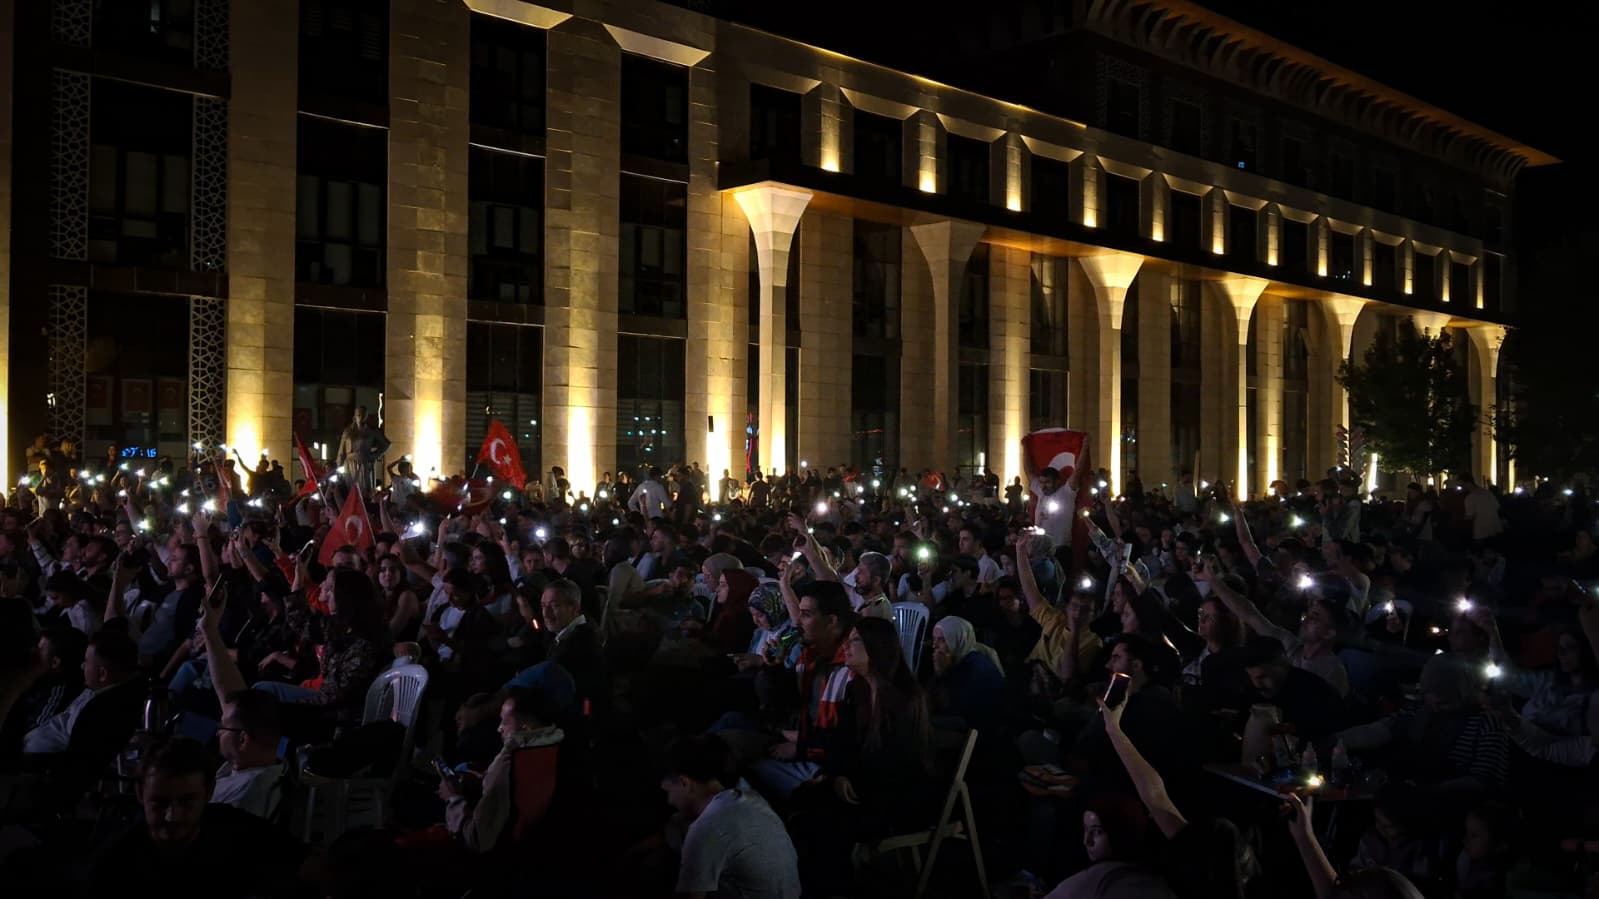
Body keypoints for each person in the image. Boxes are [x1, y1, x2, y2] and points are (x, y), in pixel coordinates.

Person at [89, 737, 309, 897]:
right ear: (139, 794)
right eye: (159, 802)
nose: (172, 816)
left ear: (209, 792)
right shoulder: (114, 865)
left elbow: (314, 865)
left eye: (186, 802)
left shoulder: (236, 828)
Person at [662, 734, 801, 899]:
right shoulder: (750, 799)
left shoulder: (705, 829)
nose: (669, 801)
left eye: (668, 791)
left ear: (684, 782)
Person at [441, 687, 565, 853]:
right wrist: (483, 780)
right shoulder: (552, 746)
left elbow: (476, 838)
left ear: (526, 728)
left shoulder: (509, 764)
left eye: (505, 722)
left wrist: (453, 799)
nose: (499, 728)